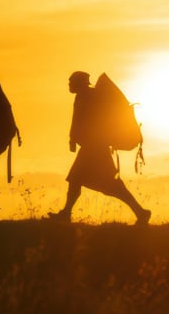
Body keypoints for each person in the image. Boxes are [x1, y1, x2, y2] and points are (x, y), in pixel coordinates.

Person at [51, 71, 151, 224]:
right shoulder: (82, 97)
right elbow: (77, 121)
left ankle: (141, 212)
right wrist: (73, 138)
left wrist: (80, 138)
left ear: (80, 83)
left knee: (99, 184)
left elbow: (93, 122)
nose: (69, 85)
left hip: (95, 148)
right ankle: (66, 213)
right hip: (91, 147)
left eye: (72, 82)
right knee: (81, 181)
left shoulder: (90, 97)